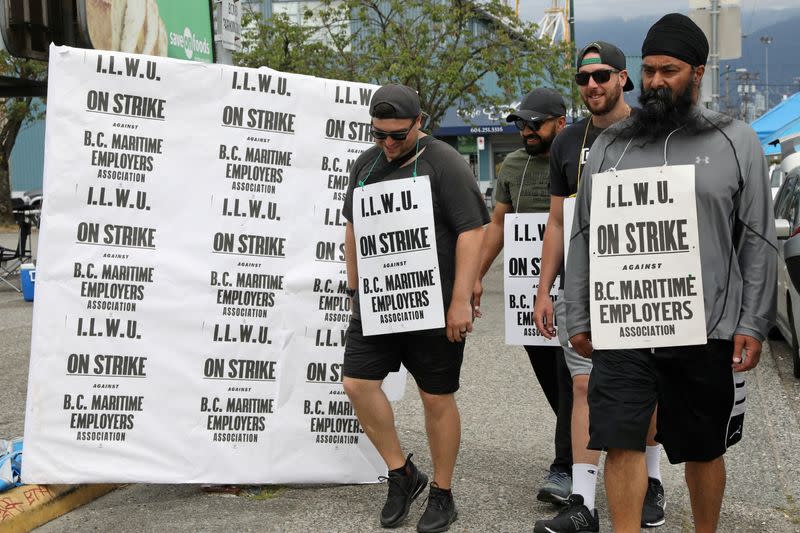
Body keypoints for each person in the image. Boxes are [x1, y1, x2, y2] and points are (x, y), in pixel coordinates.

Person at [564, 14, 776, 533]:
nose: (656, 81)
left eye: (670, 70)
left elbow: (758, 239)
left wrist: (753, 322)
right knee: (619, 439)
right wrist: (579, 313)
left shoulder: (735, 139)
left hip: (703, 329)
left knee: (703, 448)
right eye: (650, 69)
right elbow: (583, 235)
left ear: (698, 72)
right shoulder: (611, 147)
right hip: (625, 329)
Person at [341, 83, 488, 532]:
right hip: (379, 303)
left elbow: (472, 232)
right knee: (356, 384)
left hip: (435, 305)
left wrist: (461, 298)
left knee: (435, 396)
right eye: (378, 133)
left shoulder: (444, 163)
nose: (387, 143)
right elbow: (353, 227)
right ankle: (403, 473)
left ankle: (442, 493)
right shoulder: (365, 166)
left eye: (397, 135)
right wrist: (353, 287)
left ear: (419, 123)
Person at [532, 41, 666, 532]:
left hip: (640, 284)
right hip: (582, 286)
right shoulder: (567, 141)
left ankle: (651, 481)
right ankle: (583, 502)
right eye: (584, 77)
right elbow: (555, 221)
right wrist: (545, 288)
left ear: (624, 79)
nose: (592, 85)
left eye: (602, 75)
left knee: (644, 388)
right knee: (584, 386)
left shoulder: (653, 132)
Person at [472, 87, 574, 505]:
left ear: (560, 123)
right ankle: (580, 443)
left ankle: (565, 466)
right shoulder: (511, 164)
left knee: (571, 377)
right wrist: (474, 277)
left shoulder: (573, 159)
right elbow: (498, 224)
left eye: (536, 123)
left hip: (572, 286)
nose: (527, 130)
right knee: (552, 381)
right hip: (525, 294)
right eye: (521, 123)